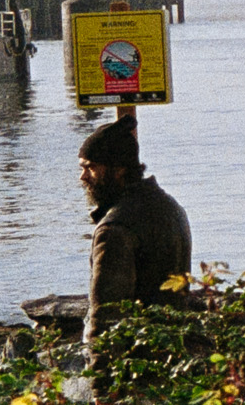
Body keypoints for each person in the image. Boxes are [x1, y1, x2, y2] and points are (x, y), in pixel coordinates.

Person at [80, 115, 192, 349]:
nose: (83, 177)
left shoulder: (115, 229)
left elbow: (107, 317)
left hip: (137, 356)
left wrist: (99, 367)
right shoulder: (171, 207)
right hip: (174, 347)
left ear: (118, 169)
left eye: (90, 167)